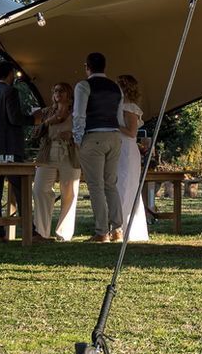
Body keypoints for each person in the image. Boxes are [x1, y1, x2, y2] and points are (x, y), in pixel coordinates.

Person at [0, 60, 41, 236]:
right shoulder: (10, 92)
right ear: (11, 74)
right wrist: (34, 119)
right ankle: (29, 231)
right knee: (20, 189)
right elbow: (14, 118)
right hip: (9, 149)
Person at [72, 52, 124, 243]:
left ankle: (101, 231)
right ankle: (117, 230)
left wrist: (77, 137)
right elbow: (119, 116)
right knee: (111, 184)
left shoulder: (83, 86)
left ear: (87, 67)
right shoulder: (116, 88)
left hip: (93, 136)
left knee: (96, 186)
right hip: (114, 135)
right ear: (105, 66)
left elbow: (79, 114)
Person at [32, 82, 81, 242]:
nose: (58, 93)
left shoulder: (77, 112)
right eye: (55, 90)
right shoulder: (47, 112)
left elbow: (85, 132)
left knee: (69, 193)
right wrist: (47, 122)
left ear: (69, 93)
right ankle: (41, 231)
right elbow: (34, 133)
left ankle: (64, 233)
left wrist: (72, 135)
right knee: (40, 189)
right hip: (48, 153)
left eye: (61, 90)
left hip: (70, 153)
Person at [114, 74, 149, 242]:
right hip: (118, 148)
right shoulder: (118, 106)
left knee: (125, 186)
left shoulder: (129, 107)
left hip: (126, 150)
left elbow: (132, 132)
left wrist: (112, 124)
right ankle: (118, 227)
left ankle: (122, 228)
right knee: (118, 186)